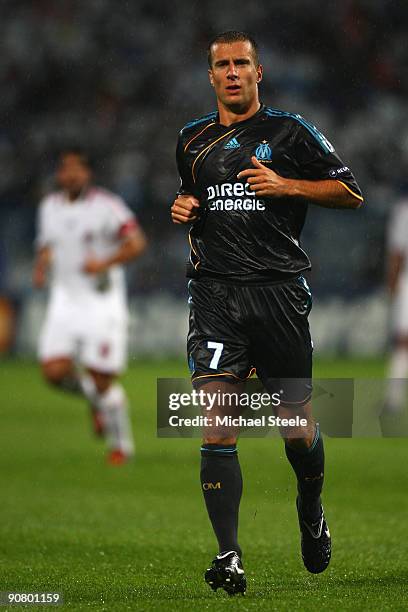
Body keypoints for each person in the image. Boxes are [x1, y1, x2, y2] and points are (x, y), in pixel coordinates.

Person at [171, 31, 363, 595]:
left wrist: (286, 185)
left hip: (278, 293)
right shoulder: (191, 140)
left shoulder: (290, 132)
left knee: (295, 428)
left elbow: (350, 193)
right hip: (214, 295)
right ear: (210, 76)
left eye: (241, 63)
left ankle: (311, 507)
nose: (232, 72)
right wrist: (183, 208)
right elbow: (193, 199)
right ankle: (229, 555)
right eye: (221, 65)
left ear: (260, 72)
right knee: (216, 419)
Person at [33, 148, 147, 464]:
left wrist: (105, 262)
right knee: (53, 372)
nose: (70, 175)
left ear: (88, 174)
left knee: (101, 379)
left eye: (76, 169)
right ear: (59, 174)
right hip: (64, 300)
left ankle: (121, 447)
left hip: (101, 302)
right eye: (64, 169)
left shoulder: (108, 206)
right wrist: (40, 268)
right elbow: (46, 245)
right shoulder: (49, 207)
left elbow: (137, 243)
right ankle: (98, 402)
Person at [382, 195, 408, 435]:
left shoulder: (403, 210)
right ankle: (393, 398)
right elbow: (398, 255)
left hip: (405, 284)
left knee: (402, 344)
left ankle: (393, 398)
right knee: (403, 343)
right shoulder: (402, 209)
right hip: (406, 283)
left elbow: (397, 254)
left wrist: (391, 288)